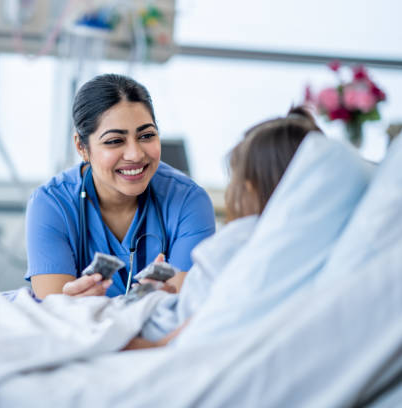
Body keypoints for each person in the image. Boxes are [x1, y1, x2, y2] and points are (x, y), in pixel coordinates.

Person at [124, 106, 323, 349]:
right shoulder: (310, 247)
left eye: (233, 180)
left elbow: (186, 327)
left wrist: (148, 296)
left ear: (248, 188)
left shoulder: (241, 239)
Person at [25, 74, 216, 299]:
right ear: (81, 147)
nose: (135, 154)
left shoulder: (189, 201)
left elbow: (185, 309)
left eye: (146, 135)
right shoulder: (52, 204)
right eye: (115, 141)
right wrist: (67, 305)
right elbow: (54, 313)